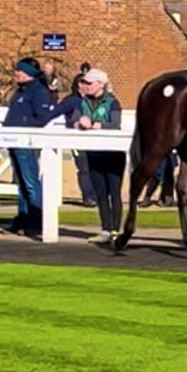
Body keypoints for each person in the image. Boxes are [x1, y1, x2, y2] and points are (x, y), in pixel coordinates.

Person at [48, 68, 124, 244]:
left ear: (100, 84)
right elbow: (73, 121)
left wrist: (98, 125)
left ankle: (116, 230)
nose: (85, 86)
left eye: (89, 83)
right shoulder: (82, 103)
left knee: (114, 192)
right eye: (84, 83)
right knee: (101, 193)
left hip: (113, 154)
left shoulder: (112, 102)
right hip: (93, 153)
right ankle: (105, 229)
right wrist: (78, 123)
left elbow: (115, 124)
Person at [3, 58, 55, 236]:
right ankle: (23, 218)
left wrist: (22, 124)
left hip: (27, 142)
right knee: (21, 183)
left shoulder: (39, 91)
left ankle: (36, 221)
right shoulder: (21, 91)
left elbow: (42, 118)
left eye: (19, 70)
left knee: (31, 182)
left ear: (27, 73)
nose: (16, 73)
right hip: (14, 141)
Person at [69, 62, 96, 206]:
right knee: (84, 168)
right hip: (77, 139)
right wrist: (75, 124)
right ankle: (88, 196)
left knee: (94, 168)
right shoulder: (72, 101)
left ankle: (96, 195)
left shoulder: (94, 101)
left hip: (93, 140)